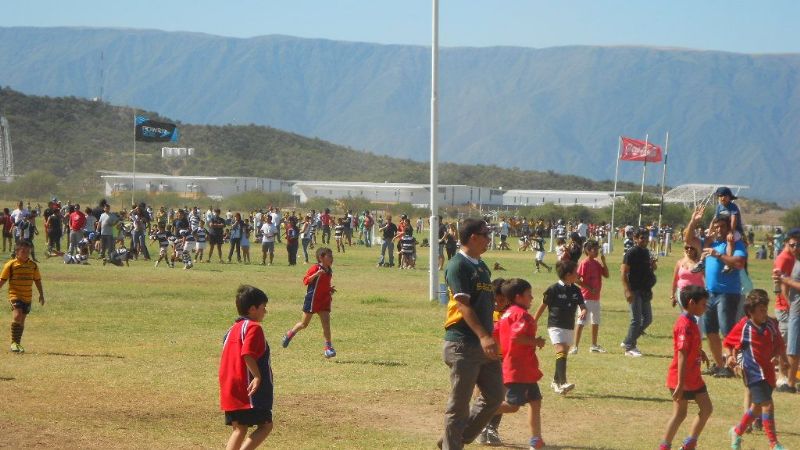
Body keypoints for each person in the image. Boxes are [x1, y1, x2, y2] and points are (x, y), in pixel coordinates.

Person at [440, 218, 503, 450]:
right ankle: (452, 444)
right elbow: (464, 306)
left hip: (484, 344)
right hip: (463, 344)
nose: (489, 238)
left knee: (495, 395)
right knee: (459, 405)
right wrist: (484, 336)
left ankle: (454, 438)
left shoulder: (481, 265)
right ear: (473, 237)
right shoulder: (458, 265)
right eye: (486, 234)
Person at [684, 204, 746, 376]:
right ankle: (720, 364)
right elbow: (688, 239)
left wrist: (717, 255)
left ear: (728, 228)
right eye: (716, 226)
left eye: (722, 226)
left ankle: (730, 365)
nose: (718, 229)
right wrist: (693, 221)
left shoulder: (735, 243)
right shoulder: (708, 242)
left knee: (727, 331)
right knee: (710, 331)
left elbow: (738, 263)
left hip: (728, 293)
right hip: (710, 293)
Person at [724, 289, 787, 450]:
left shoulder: (771, 324)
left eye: (766, 309)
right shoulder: (744, 326)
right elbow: (728, 342)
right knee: (767, 405)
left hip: (768, 371)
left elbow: (779, 342)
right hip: (752, 371)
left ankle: (737, 432)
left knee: (756, 407)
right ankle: (774, 444)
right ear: (750, 312)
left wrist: (783, 359)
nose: (765, 313)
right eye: (761, 310)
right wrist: (730, 356)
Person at [491, 278, 547, 449]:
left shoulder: (507, 314)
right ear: (518, 297)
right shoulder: (521, 314)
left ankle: (536, 440)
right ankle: (479, 412)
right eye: (529, 295)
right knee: (513, 406)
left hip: (524, 367)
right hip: (519, 369)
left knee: (535, 402)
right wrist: (535, 341)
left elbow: (495, 334)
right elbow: (517, 337)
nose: (532, 298)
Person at [219, 285, 273, 450]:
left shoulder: (231, 330)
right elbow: (247, 353)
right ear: (252, 309)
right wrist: (257, 376)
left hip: (229, 386)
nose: (265, 311)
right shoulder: (254, 328)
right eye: (263, 307)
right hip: (247, 390)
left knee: (239, 429)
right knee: (265, 426)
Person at [659, 286, 712, 450]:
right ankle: (664, 447)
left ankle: (690, 443)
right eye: (703, 304)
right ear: (691, 303)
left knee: (707, 409)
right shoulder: (684, 325)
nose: (706, 307)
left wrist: (699, 351)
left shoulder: (691, 321)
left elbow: (690, 346)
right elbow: (681, 354)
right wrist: (680, 384)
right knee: (680, 414)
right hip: (681, 378)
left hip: (694, 377)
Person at [533, 260, 586, 394]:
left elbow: (582, 305)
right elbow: (543, 306)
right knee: (561, 350)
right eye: (576, 272)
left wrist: (584, 311)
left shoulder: (576, 290)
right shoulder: (553, 289)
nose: (578, 274)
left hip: (569, 325)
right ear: (568, 275)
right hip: (555, 325)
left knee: (562, 354)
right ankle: (563, 383)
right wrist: (533, 321)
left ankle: (555, 382)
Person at [281, 247, 336, 357]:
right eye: (329, 256)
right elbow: (306, 280)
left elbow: (323, 284)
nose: (331, 258)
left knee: (326, 324)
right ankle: (290, 334)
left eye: (331, 255)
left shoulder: (329, 270)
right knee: (304, 324)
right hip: (312, 300)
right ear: (321, 257)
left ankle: (328, 348)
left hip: (324, 300)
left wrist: (330, 289)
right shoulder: (315, 268)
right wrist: (316, 274)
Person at [1, 240, 45, 353]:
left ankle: (17, 343)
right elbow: (2, 280)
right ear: (17, 252)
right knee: (17, 316)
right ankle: (13, 344)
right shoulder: (10, 265)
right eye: (23, 251)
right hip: (15, 295)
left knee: (21, 321)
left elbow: (37, 280)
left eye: (28, 251)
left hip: (27, 297)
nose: (26, 253)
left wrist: (41, 294)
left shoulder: (33, 266)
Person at [621, 228, 657, 357]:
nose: (645, 240)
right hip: (634, 289)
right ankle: (630, 347)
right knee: (636, 319)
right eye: (642, 238)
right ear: (635, 239)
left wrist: (652, 266)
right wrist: (627, 291)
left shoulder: (646, 252)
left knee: (647, 318)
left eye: (646, 238)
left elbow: (648, 270)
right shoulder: (631, 253)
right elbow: (623, 272)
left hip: (645, 289)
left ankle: (627, 340)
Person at [772, 228, 800, 393]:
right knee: (787, 344)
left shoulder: (794, 261)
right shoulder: (787, 259)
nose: (796, 246)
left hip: (792, 309)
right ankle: (785, 377)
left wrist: (785, 280)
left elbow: (784, 282)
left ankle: (788, 381)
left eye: (798, 243)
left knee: (791, 345)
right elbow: (781, 286)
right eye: (793, 243)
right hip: (788, 308)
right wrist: (789, 305)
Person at [572, 239, 609, 354]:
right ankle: (575, 346)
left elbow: (606, 275)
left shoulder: (597, 263)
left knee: (595, 322)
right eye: (594, 249)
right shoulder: (584, 263)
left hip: (596, 298)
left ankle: (594, 345)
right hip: (585, 298)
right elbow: (576, 279)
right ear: (588, 250)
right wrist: (588, 287)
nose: (597, 251)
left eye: (597, 248)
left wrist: (604, 262)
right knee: (581, 322)